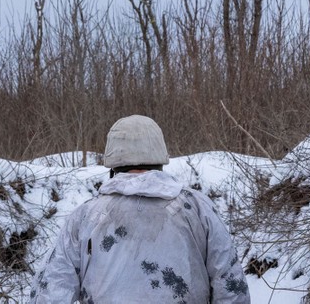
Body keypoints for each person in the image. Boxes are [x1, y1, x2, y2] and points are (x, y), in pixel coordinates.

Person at [31, 115, 250, 303]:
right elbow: (230, 285)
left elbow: (51, 291)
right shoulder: (198, 208)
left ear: (113, 163)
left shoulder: (85, 216)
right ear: (160, 158)